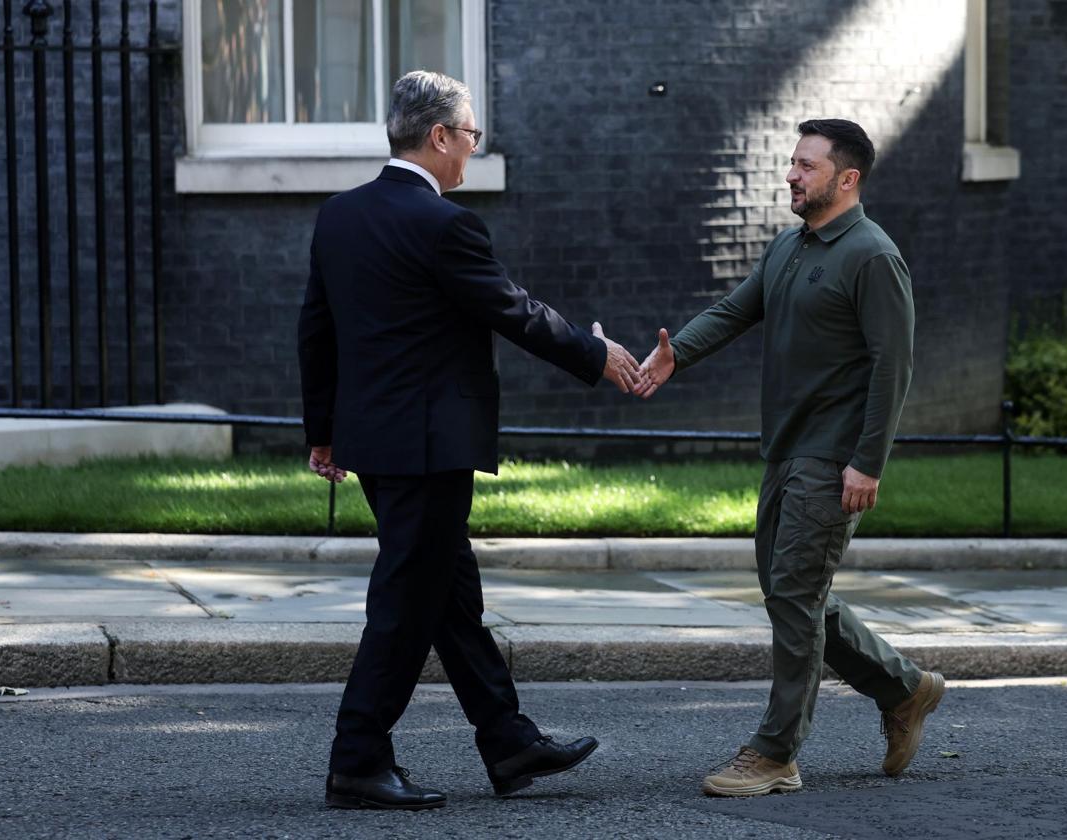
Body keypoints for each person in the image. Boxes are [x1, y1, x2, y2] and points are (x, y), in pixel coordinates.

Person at [298, 70, 646, 810]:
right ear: (439, 137)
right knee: (405, 604)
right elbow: (511, 309)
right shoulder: (443, 224)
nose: (473, 151)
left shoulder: (341, 216)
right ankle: (356, 758)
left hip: (377, 442)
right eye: (471, 137)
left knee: (450, 597)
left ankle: (508, 741)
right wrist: (598, 355)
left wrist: (323, 432)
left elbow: (316, 330)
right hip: (430, 444)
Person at [636, 119, 945, 797]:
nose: (792, 174)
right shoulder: (789, 246)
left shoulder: (872, 256)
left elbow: (895, 367)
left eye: (807, 165)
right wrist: (675, 353)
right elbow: (736, 309)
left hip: (832, 458)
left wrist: (869, 461)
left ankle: (776, 752)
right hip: (785, 449)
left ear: (846, 178)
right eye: (793, 163)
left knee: (797, 597)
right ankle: (904, 688)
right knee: (793, 594)